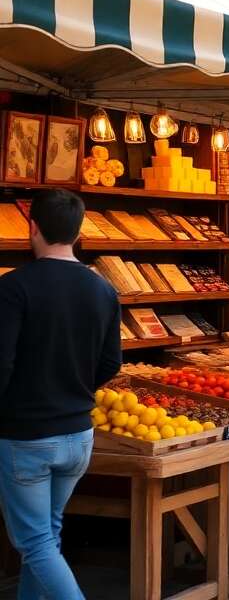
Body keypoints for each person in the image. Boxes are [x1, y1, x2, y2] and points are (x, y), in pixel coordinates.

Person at [0, 190, 119, 599]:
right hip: (79, 435)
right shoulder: (103, 289)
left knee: (35, 544)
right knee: (47, 535)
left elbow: (1, 365)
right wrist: (76, 389)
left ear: (32, 227)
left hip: (27, 436)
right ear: (79, 232)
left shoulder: (13, 287)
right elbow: (111, 362)